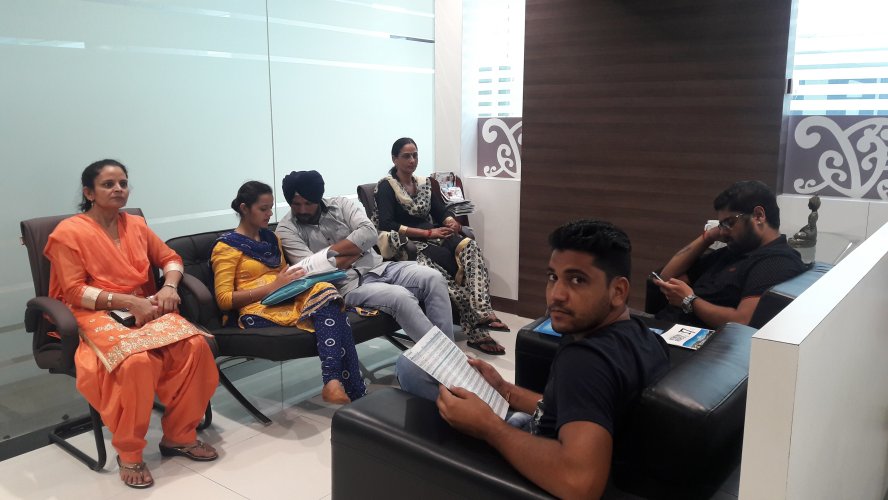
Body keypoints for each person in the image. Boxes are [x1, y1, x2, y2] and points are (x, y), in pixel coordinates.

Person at [434, 219, 670, 499]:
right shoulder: (646, 337)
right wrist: (504, 389)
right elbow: (581, 407)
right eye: (553, 277)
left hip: (533, 472)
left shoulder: (585, 361)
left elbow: (580, 483)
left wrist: (489, 428)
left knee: (413, 373)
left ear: (618, 291)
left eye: (577, 280)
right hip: (576, 449)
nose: (556, 295)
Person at [44, 160, 219, 489]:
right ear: (89, 193)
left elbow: (170, 259)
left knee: (194, 346)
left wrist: (169, 287)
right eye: (108, 184)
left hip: (144, 306)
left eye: (123, 183)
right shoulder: (69, 233)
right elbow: (74, 291)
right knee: (136, 362)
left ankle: (179, 435)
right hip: (92, 311)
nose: (118, 189)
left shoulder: (135, 225)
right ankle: (129, 452)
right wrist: (126, 302)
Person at [274, 170, 454, 396]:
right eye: (295, 204)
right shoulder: (286, 229)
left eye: (308, 203)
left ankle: (446, 361)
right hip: (349, 286)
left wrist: (329, 254)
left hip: (379, 267)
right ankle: (450, 369)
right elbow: (312, 268)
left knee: (433, 278)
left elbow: (370, 233)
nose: (302, 210)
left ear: (318, 198)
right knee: (400, 297)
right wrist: (355, 249)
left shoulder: (341, 205)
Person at [210, 181, 368, 404]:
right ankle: (345, 387)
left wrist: (297, 278)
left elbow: (283, 274)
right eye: (263, 209)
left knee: (326, 290)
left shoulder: (271, 238)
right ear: (244, 209)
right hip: (257, 309)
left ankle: (334, 384)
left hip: (285, 298)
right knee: (336, 315)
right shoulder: (227, 247)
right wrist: (272, 287)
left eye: (271, 208)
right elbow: (224, 300)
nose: (269, 214)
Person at [374, 137, 507, 355]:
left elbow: (440, 211)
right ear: (394, 159)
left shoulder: (423, 183)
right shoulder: (387, 187)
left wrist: (450, 221)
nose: (412, 160)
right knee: (449, 280)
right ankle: (477, 335)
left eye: (415, 155)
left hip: (434, 235)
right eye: (406, 156)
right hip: (410, 244)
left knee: (470, 247)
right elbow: (387, 224)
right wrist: (427, 233)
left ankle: (483, 311)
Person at [653, 180, 807, 329]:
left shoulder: (776, 261)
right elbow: (666, 277)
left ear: (758, 215)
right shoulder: (734, 250)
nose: (723, 232)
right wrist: (708, 237)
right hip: (663, 325)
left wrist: (690, 300)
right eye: (721, 225)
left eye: (729, 223)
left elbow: (742, 322)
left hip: (692, 339)